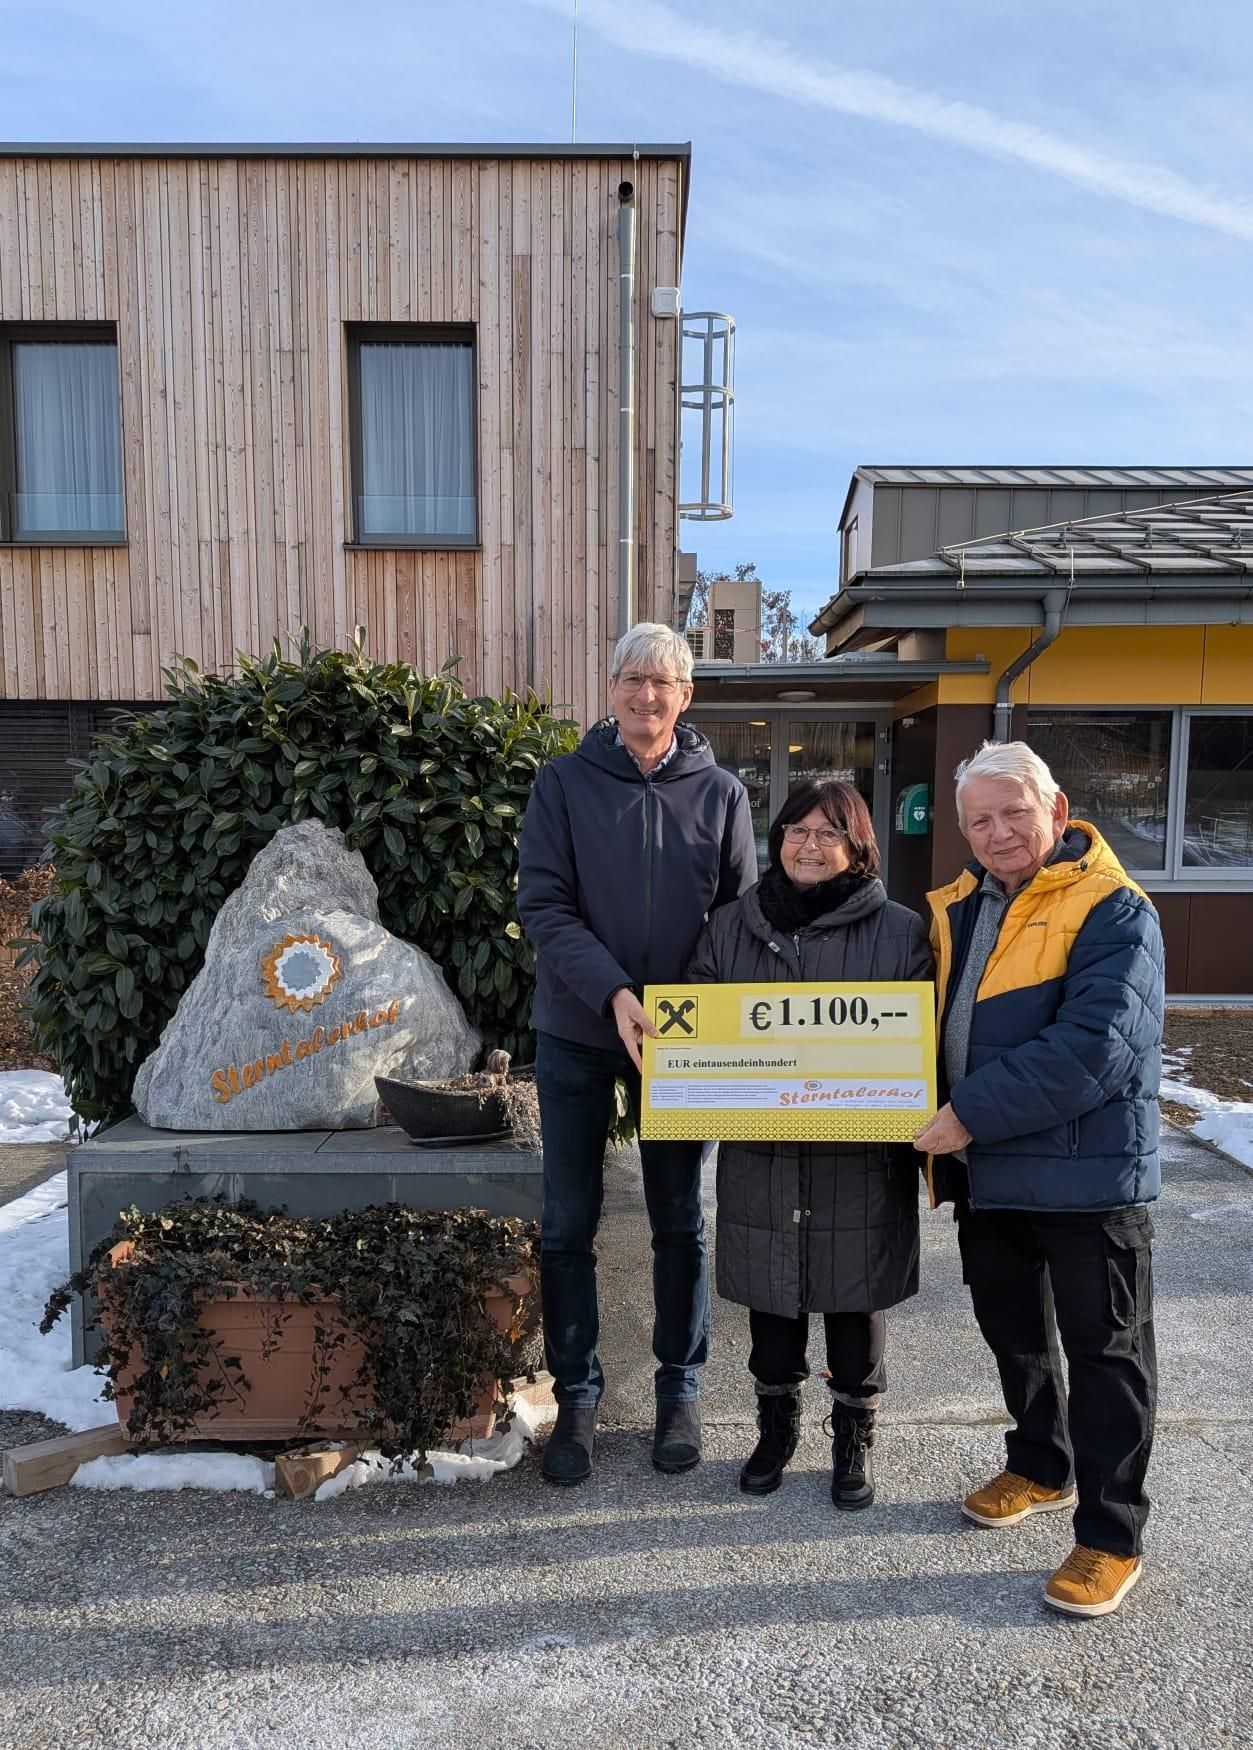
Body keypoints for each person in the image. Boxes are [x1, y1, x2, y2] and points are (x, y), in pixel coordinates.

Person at [913, 739, 1164, 1618]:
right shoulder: (958, 907)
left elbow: (1094, 1047)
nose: (998, 833)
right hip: (989, 1173)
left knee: (1105, 1355)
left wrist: (964, 1115)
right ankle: (1039, 1465)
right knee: (1013, 1333)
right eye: (978, 820)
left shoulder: (1113, 908)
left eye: (1013, 813)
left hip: (1086, 1179)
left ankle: (1110, 1537)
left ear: (1055, 811)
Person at [517, 622, 756, 1485]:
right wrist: (616, 993)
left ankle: (678, 1388)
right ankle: (576, 1395)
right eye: (632, 679)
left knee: (678, 1222)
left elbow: (737, 915)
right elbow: (543, 906)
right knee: (566, 1225)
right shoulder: (562, 784)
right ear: (610, 689)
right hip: (580, 1026)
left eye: (663, 682)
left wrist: (680, 1007)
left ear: (685, 697)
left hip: (680, 1041)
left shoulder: (721, 793)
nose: (646, 695)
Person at [684, 779, 933, 1507]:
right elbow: (697, 1027)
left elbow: (917, 1045)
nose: (810, 845)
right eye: (797, 830)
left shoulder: (898, 931)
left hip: (859, 1160)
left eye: (829, 832)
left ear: (859, 846)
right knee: (771, 1303)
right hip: (762, 1156)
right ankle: (775, 1431)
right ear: (778, 839)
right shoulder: (729, 927)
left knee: (855, 1299)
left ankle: (854, 1439)